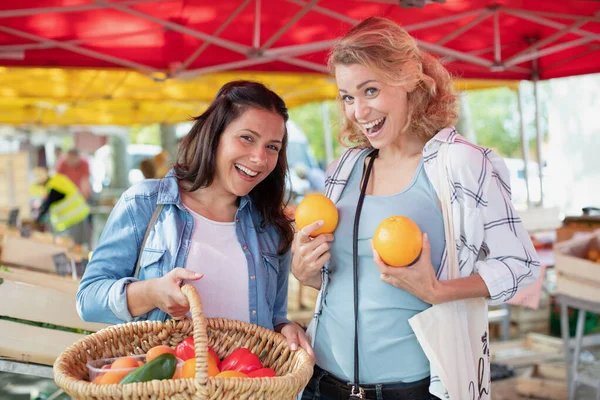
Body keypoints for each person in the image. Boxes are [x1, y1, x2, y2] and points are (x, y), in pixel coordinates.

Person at [292, 17, 540, 400]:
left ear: (410, 82)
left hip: (414, 389)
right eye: (347, 97)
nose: (358, 111)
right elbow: (344, 279)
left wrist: (438, 290)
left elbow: (521, 266)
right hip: (321, 382)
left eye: (370, 90)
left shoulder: (458, 163)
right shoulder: (347, 167)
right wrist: (306, 272)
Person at [76, 81, 314, 358]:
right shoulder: (143, 204)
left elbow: (273, 316)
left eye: (272, 147)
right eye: (247, 138)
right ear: (215, 136)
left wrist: (285, 327)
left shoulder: (271, 228)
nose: (259, 157)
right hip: (163, 387)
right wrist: (151, 292)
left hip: (247, 387)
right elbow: (88, 299)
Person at [34, 167, 91, 246]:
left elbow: (48, 203)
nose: (41, 186)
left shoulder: (54, 185)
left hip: (76, 218)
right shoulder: (56, 181)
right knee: (76, 246)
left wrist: (37, 219)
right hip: (76, 218)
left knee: (77, 247)